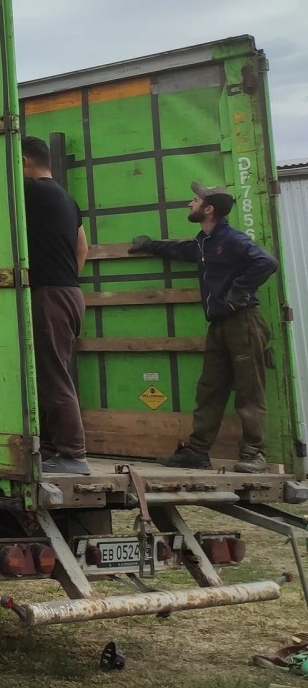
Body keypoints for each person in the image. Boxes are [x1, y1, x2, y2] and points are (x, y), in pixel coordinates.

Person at [131, 182, 279, 473]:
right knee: (210, 388)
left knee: (249, 389)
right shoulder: (204, 242)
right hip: (220, 324)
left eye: (194, 200)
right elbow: (181, 249)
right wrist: (150, 245)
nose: (190, 204)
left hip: (244, 322)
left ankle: (254, 454)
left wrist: (238, 290)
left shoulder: (232, 238)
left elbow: (267, 262)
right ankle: (197, 452)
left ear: (208, 209)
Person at [21, 137, 90, 476]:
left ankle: (73, 454)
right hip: (68, 292)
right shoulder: (66, 197)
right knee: (50, 371)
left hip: (50, 294)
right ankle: (51, 448)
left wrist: (51, 281)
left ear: (23, 161)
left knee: (52, 375)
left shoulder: (31, 193)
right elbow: (83, 248)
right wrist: (65, 279)